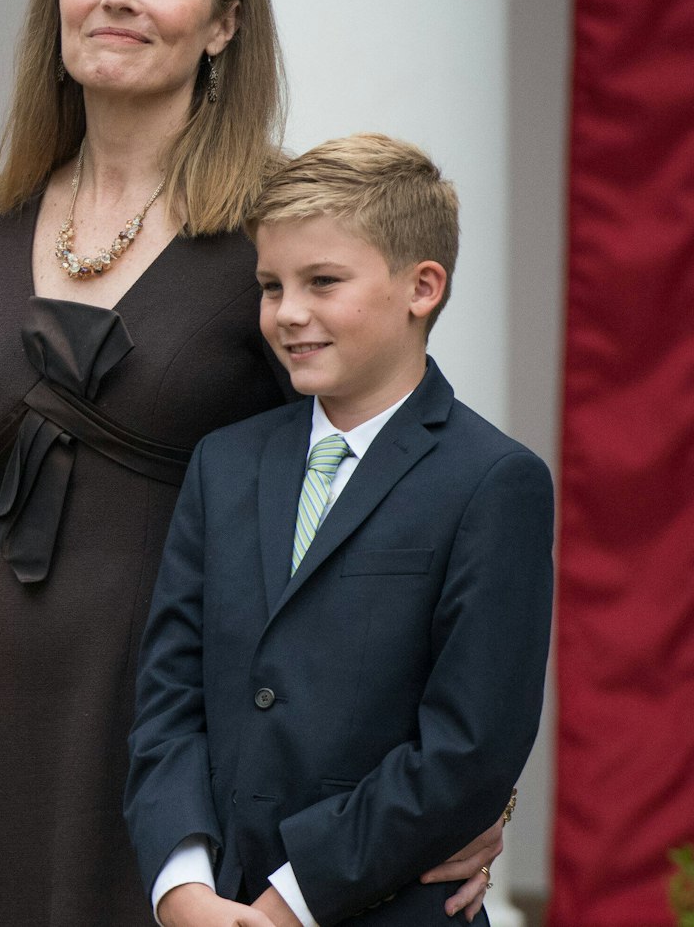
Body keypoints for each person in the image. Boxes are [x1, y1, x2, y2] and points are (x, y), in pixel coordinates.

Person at [0, 0, 506, 922]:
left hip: (209, 735)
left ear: (222, 22)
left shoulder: (273, 236)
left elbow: (379, 509)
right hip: (16, 714)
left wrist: (465, 785)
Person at [125, 134, 552, 926]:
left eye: (323, 281)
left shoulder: (496, 481)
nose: (289, 313)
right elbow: (169, 697)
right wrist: (184, 887)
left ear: (422, 287)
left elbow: (469, 745)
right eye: (270, 285)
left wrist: (292, 900)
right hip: (216, 902)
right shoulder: (224, 465)